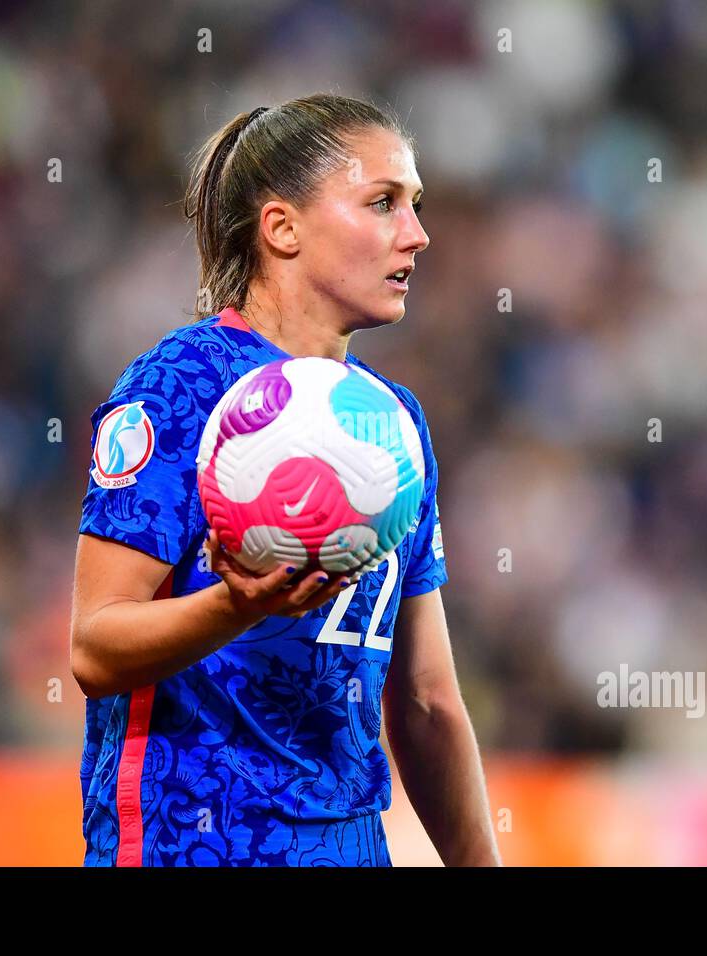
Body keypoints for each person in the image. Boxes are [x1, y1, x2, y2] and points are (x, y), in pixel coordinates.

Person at [71, 92, 500, 866]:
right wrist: (234, 605)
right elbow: (97, 646)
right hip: (189, 844)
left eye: (415, 205)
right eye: (382, 203)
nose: (417, 234)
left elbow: (428, 701)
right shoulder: (180, 384)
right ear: (283, 229)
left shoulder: (393, 421)